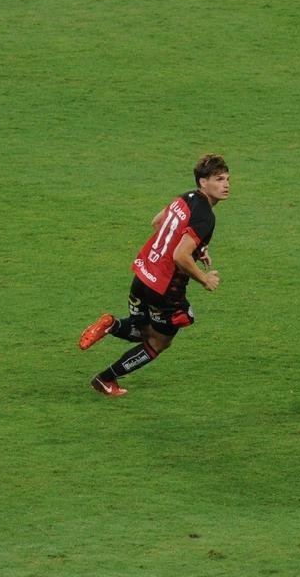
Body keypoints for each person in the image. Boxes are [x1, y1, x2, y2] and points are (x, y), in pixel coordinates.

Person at [77, 154, 230, 397]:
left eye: (227, 179)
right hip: (165, 289)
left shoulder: (185, 198)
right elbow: (180, 256)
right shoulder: (206, 216)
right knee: (158, 342)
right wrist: (204, 278)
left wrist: (197, 248)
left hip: (142, 275)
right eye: (219, 179)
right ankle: (105, 379)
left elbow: (158, 222)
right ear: (203, 182)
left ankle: (111, 325)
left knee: (143, 330)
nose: (226, 185)